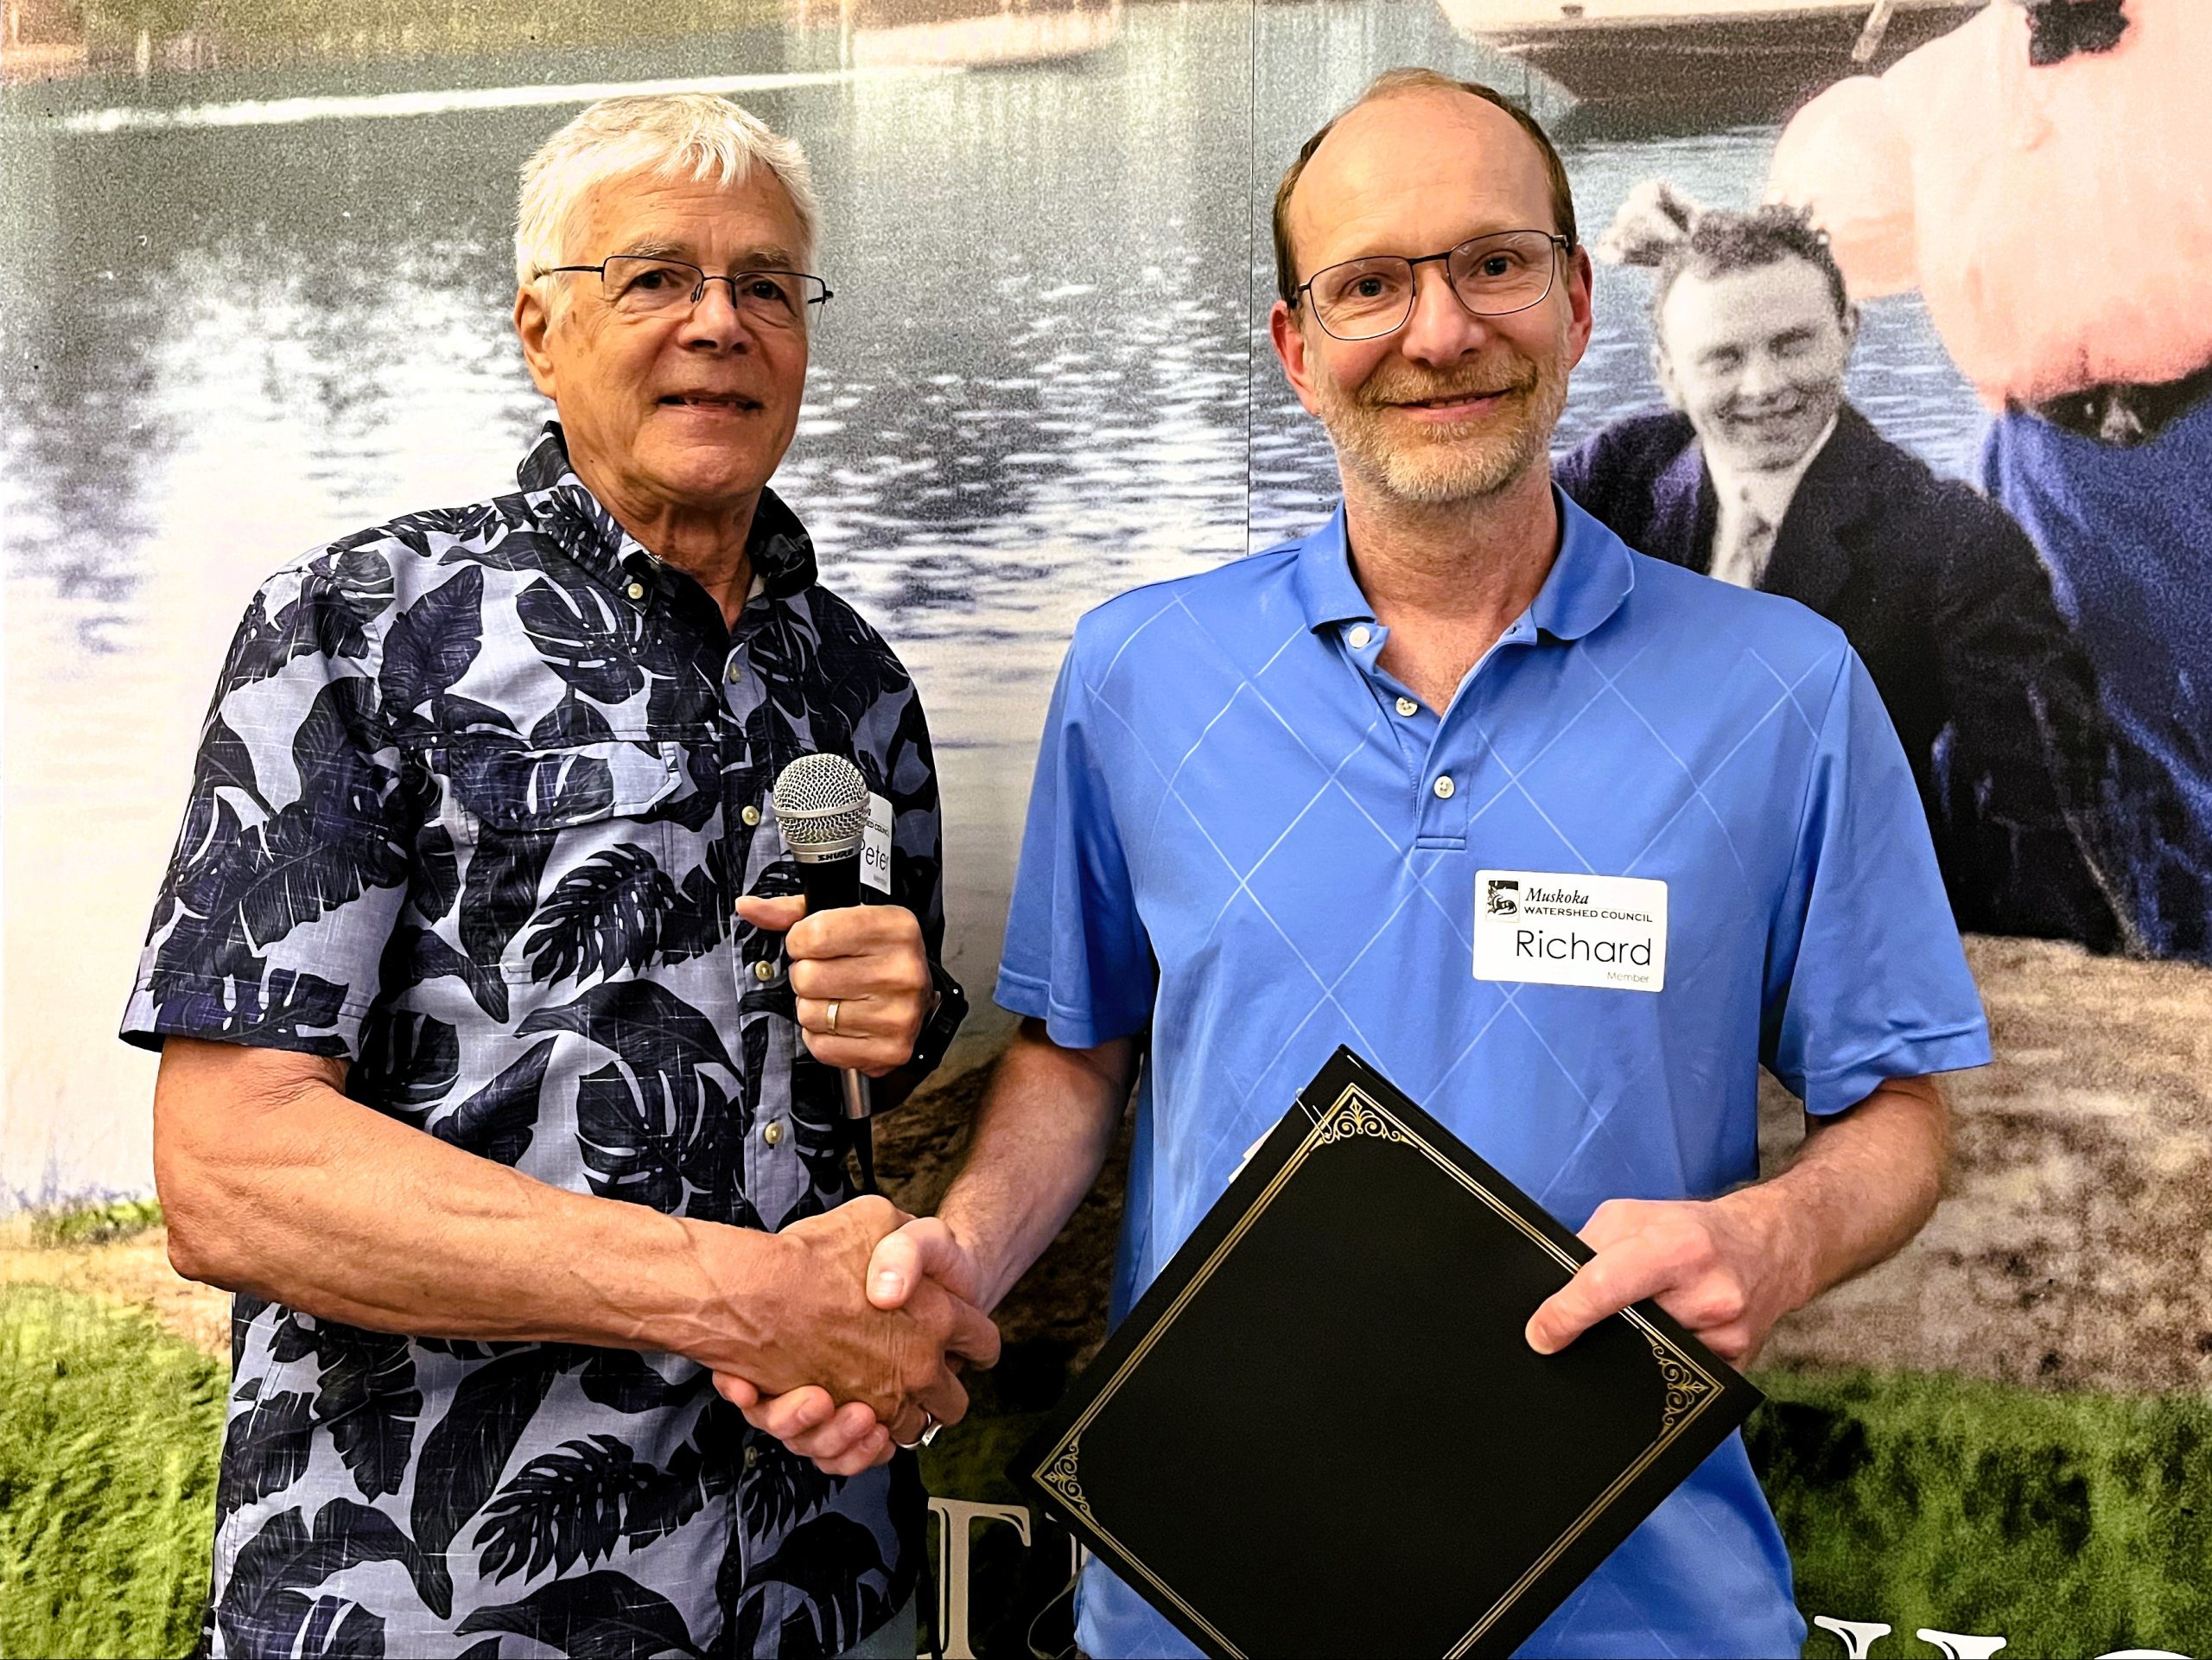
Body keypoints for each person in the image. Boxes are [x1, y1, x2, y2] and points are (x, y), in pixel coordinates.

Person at [720, 68, 1990, 1657]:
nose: (1441, 330)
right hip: (1201, 1595)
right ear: (1296, 347)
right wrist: (959, 1255)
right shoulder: (1140, 673)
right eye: (1370, 283)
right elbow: (1075, 1051)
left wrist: (1776, 1236)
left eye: (1493, 264)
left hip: (1640, 1610)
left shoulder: (1784, 688)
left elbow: (1900, 1108)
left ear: (1579, 300)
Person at [122, 92, 992, 1660]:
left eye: (767, 285)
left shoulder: (856, 688)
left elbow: (837, 1120)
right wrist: (735, 1295)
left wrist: (892, 1014)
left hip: (816, 1586)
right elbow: (233, 1172)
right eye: (653, 278)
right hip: (435, 1589)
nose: (720, 324)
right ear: (539, 327)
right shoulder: (366, 627)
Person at [1556, 188, 2125, 950]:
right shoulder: (1617, 479)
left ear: (1848, 332)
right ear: (1668, 373)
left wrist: (2047, 975)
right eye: (1723, 357)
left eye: (1793, 344)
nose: (1764, 386)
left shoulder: (1953, 541)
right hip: (1629, 924)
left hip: (1844, 936)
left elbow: (2041, 804)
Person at [1767, 0, 2212, 957]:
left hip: (2203, 451)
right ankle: (2155, 984)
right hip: (2043, 476)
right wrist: (1696, 236)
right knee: (2072, 750)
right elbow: (1802, 247)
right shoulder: (1922, 96)